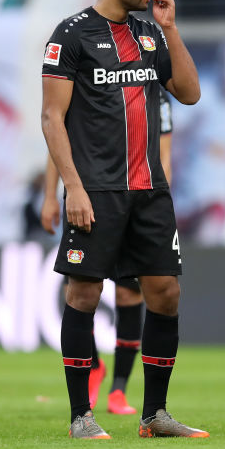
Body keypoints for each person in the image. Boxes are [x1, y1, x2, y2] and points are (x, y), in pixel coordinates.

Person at [41, 0, 205, 440]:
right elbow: (52, 118)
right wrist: (72, 187)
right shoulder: (71, 34)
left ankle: (154, 414)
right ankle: (80, 417)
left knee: (165, 293)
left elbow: (190, 93)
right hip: (97, 189)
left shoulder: (151, 33)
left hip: (150, 189)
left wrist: (172, 28)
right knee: (85, 293)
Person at [39, 88, 174, 416]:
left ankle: (119, 390)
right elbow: (59, 136)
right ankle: (93, 369)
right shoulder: (87, 86)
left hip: (140, 202)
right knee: (81, 291)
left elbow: (164, 152)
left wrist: (159, 202)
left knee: (131, 296)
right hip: (96, 199)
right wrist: (50, 196)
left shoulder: (158, 95)